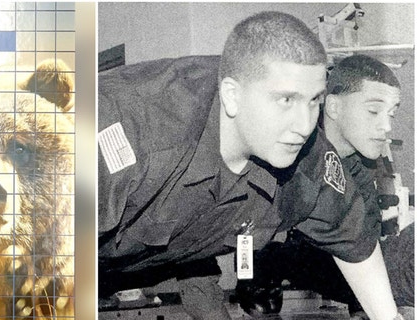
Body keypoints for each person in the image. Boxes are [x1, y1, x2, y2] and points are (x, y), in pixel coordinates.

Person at [98, 11, 403, 320]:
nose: (304, 124)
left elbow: (355, 244)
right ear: (233, 96)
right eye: (286, 100)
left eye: (313, 101)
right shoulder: (128, 134)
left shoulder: (309, 159)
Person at [236, 54, 414, 319]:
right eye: (374, 111)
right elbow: (240, 227)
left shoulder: (360, 168)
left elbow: (364, 240)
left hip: (322, 248)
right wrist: (246, 272)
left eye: (391, 113)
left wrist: (366, 304)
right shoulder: (285, 147)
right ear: (333, 107)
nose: (387, 125)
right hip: (257, 239)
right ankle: (266, 266)